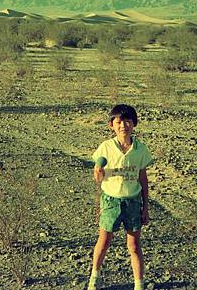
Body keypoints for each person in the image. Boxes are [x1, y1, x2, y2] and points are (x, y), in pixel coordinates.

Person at [87, 104, 153, 290]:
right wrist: (98, 171)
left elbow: (143, 178)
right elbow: (98, 179)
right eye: (119, 121)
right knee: (105, 240)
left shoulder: (140, 149)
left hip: (133, 200)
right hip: (111, 200)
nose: (123, 125)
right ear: (111, 125)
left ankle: (139, 284)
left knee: (133, 244)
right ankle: (95, 278)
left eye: (127, 121)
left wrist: (145, 206)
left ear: (134, 124)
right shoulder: (105, 148)